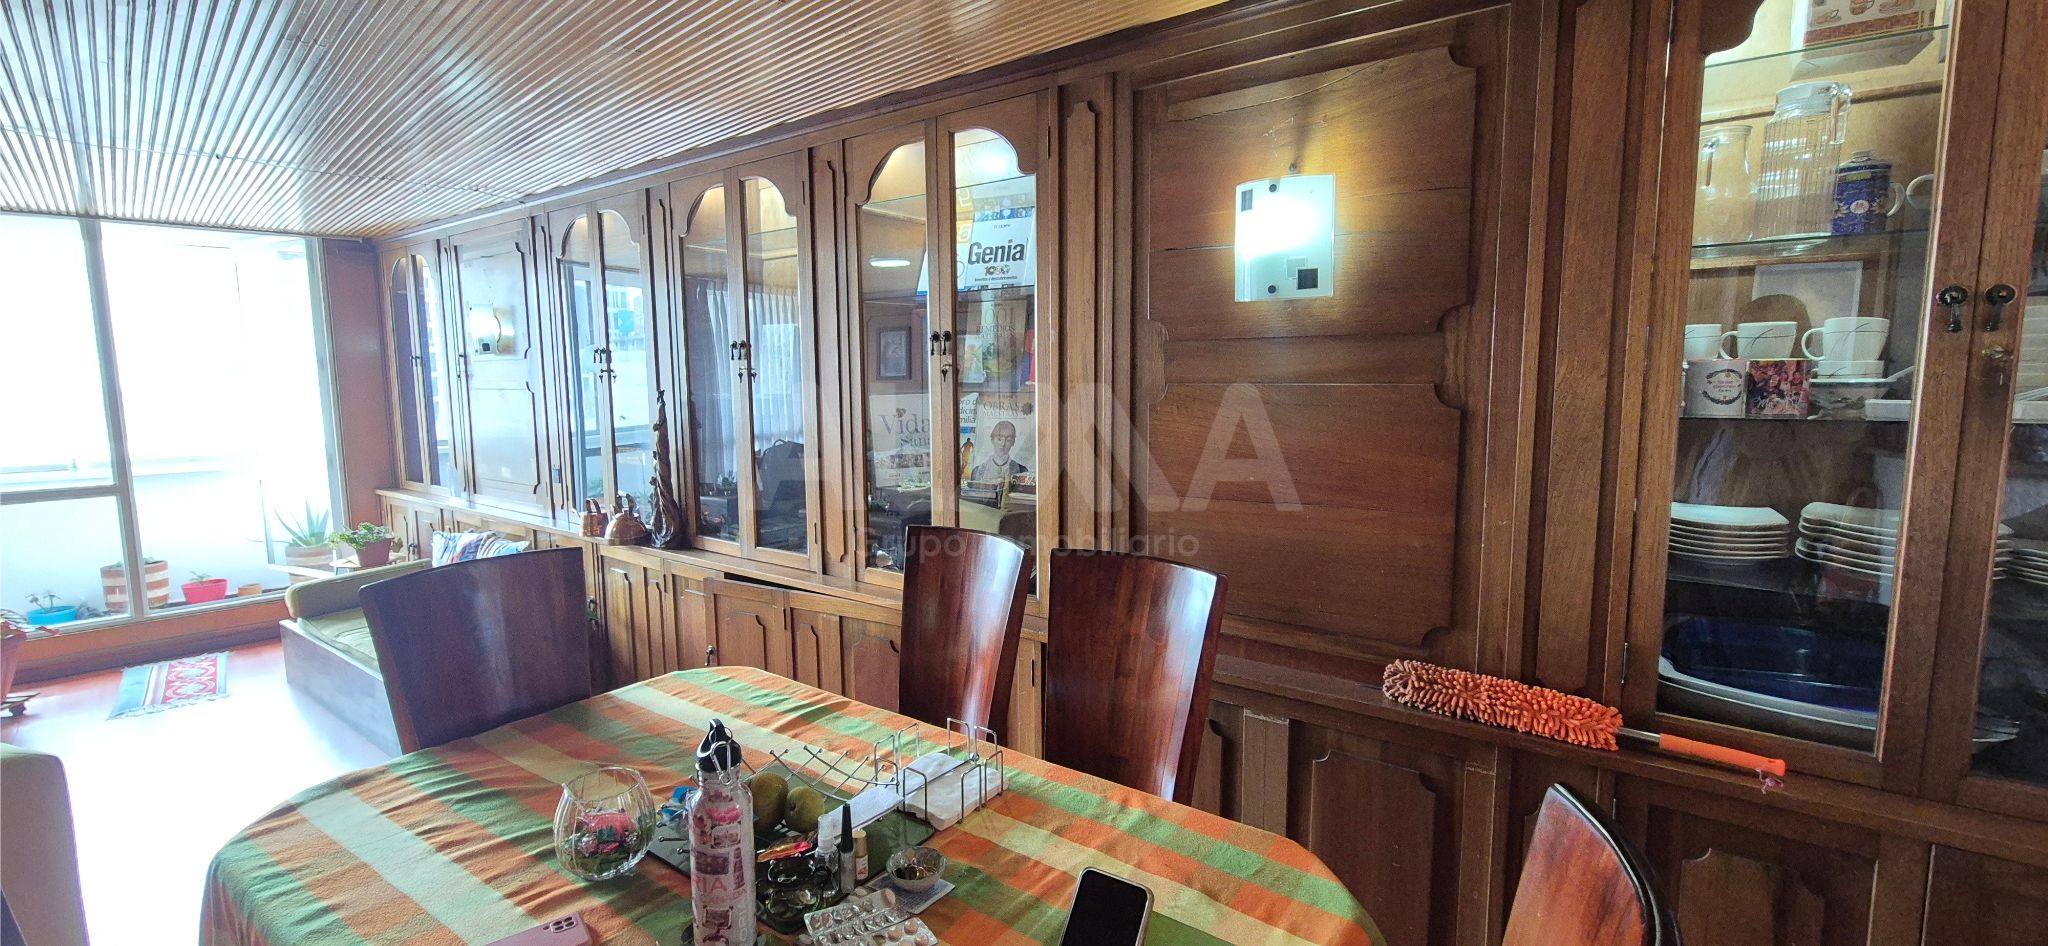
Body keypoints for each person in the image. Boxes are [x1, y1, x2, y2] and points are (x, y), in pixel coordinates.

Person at [968, 420, 1027, 485]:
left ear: (1013, 442)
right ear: (992, 440)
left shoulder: (1022, 471)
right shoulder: (977, 471)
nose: (1003, 444)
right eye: (999, 439)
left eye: (1008, 440)